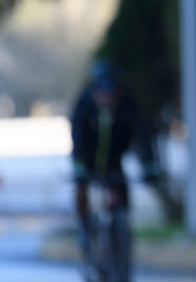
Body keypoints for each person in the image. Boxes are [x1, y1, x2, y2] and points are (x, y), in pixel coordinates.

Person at [70, 59, 161, 277]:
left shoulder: (127, 105)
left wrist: (149, 164)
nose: (107, 98)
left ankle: (121, 246)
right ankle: (84, 231)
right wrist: (79, 165)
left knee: (120, 197)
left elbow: (142, 135)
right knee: (81, 191)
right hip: (88, 162)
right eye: (103, 93)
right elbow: (77, 135)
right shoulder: (84, 105)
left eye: (112, 93)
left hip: (113, 163)